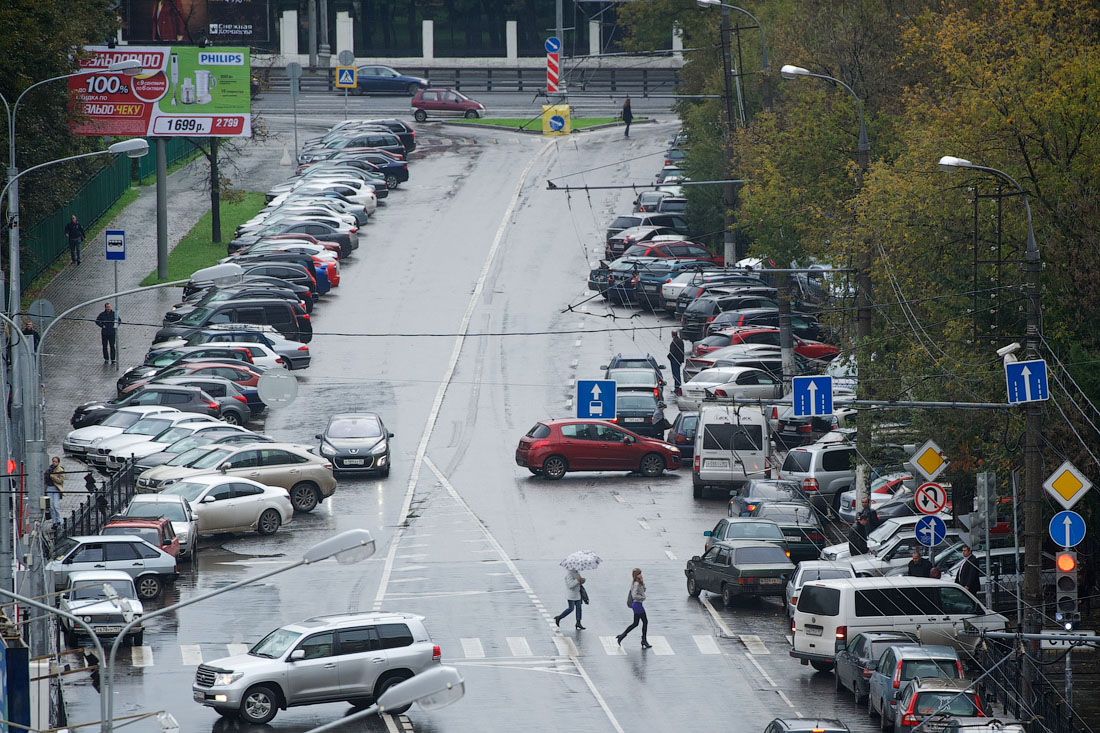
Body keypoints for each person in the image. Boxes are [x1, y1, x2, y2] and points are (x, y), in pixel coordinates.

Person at [616, 568, 651, 648]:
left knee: (635, 623)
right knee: (645, 621)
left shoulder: (639, 583)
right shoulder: (636, 584)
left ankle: (622, 636)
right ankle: (644, 640)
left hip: (637, 604)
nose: (641, 575)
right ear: (636, 575)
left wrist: (642, 582)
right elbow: (634, 595)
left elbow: (644, 590)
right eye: (639, 574)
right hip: (637, 604)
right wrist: (641, 597)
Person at [44, 457, 65, 523]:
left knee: (56, 506)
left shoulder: (60, 470)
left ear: (58, 462)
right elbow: (45, 480)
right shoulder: (49, 470)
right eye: (53, 461)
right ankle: (54, 522)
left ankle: (58, 520)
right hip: (49, 488)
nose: (54, 463)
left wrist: (54, 477)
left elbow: (61, 481)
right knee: (51, 506)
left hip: (56, 488)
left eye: (56, 462)